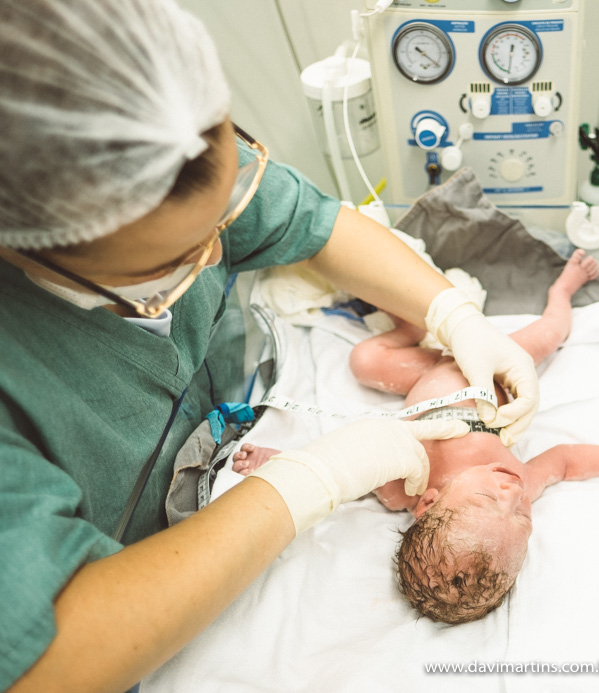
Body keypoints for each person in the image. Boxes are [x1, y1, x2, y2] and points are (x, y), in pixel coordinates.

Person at [0, 1, 540, 691]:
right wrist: (311, 479)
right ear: (27, 250)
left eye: (225, 210)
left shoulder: (168, 150)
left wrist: (455, 314)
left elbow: (309, 222)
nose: (221, 251)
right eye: (174, 260)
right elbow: (47, 656)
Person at [231, 250, 599, 624]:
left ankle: (419, 323)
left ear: (428, 502)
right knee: (549, 335)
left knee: (364, 361)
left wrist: (280, 459)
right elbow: (567, 460)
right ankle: (562, 293)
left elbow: (341, 472)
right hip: (498, 371)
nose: (512, 494)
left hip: (427, 374)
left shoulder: (401, 486)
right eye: (523, 517)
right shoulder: (520, 481)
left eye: (486, 500)